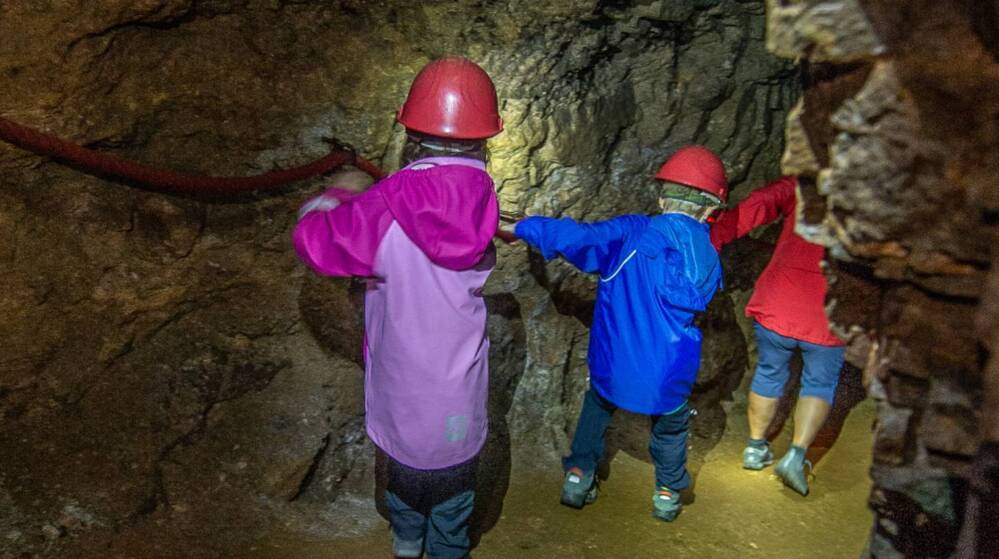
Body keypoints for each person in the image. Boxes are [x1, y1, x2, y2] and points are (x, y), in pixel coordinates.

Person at [292, 56, 503, 559]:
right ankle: (448, 548)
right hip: (459, 386)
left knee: (404, 474)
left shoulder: (384, 205)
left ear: (411, 130)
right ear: (484, 136)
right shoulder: (483, 196)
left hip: (403, 382)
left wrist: (335, 196)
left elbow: (315, 243)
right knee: (455, 486)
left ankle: (407, 543)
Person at [507, 146, 727, 522]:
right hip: (669, 372)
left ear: (662, 196)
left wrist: (526, 227)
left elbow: (576, 238)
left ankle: (578, 475)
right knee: (671, 429)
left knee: (597, 406)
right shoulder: (709, 255)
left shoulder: (633, 234)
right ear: (710, 211)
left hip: (616, 363)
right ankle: (667, 492)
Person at [708, 176, 846, 496]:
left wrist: (715, 234)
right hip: (828, 311)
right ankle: (796, 457)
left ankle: (755, 448)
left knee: (769, 372)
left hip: (779, 302)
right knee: (819, 385)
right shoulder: (870, 197)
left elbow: (761, 202)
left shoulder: (805, 184)